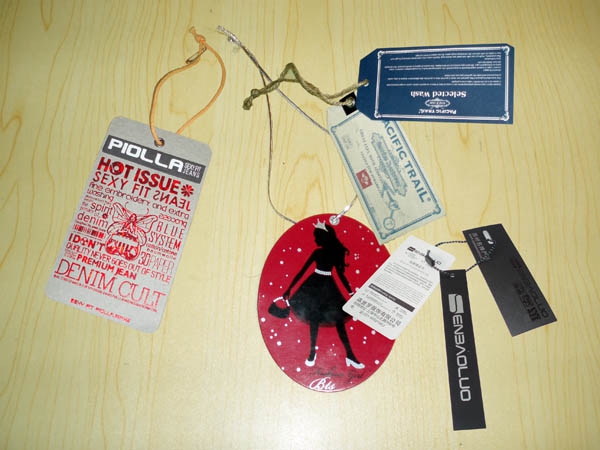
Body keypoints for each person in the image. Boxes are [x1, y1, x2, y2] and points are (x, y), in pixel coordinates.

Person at [282, 219, 364, 369]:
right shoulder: (317, 252)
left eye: (317, 237)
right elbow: (302, 271)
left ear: (324, 237)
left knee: (338, 319)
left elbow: (340, 275)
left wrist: (352, 293)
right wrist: (289, 288)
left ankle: (350, 355)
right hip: (313, 286)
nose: (315, 240)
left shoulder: (335, 253)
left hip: (328, 287)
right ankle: (312, 353)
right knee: (314, 318)